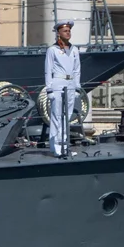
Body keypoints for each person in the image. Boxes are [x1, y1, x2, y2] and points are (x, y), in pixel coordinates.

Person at [45, 19, 81, 157]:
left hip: (70, 83)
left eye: (69, 30)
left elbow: (77, 70)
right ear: (58, 33)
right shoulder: (52, 50)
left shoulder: (74, 50)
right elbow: (48, 70)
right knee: (57, 115)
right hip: (58, 82)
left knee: (68, 115)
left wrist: (77, 86)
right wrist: (49, 89)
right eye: (65, 31)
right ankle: (56, 146)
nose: (68, 33)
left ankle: (65, 145)